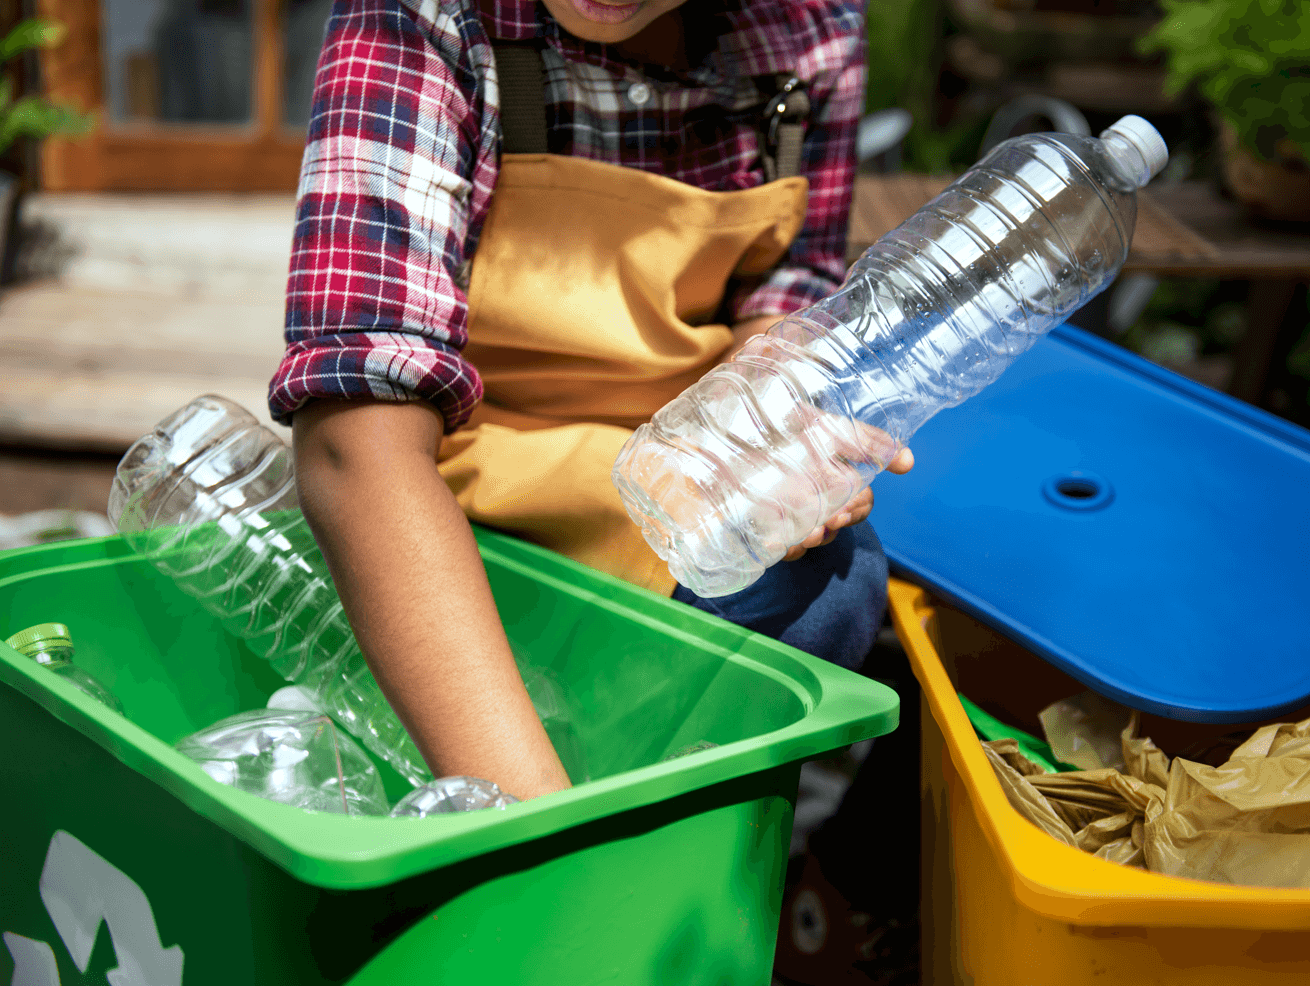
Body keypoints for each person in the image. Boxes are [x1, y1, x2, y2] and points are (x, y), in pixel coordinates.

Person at [269, 0, 912, 802]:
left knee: (832, 587)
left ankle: (635, 800)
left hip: (666, 473)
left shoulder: (809, 28)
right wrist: (530, 827)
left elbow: (784, 289)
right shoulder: (423, 17)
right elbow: (353, 447)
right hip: (456, 478)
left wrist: (772, 432)